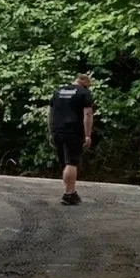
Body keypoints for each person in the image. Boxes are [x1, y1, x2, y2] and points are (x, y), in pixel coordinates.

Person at [48, 65, 96, 204]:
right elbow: (87, 114)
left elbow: (49, 113)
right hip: (73, 131)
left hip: (57, 130)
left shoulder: (57, 91)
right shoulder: (84, 93)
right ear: (85, 83)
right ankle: (69, 194)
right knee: (71, 162)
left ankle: (70, 191)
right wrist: (87, 135)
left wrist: (51, 131)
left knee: (65, 162)